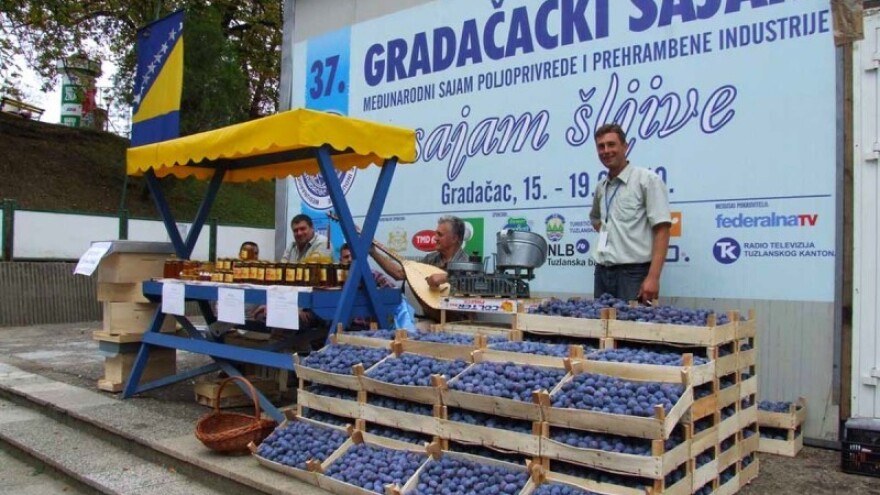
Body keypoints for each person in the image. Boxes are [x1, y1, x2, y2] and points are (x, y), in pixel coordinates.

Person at [589, 123, 671, 303]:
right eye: (601, 146)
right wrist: (612, 235)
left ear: (625, 147)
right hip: (603, 272)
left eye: (611, 144)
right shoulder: (601, 187)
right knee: (601, 328)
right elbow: (595, 218)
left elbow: (662, 230)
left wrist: (653, 278)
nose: (606, 150)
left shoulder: (647, 181)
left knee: (633, 329)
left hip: (634, 274)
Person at [370, 215, 468, 288]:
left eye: (440, 235)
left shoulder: (467, 263)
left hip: (457, 315)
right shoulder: (430, 259)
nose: (435, 238)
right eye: (435, 234)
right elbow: (400, 274)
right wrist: (373, 252)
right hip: (430, 315)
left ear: (454, 238)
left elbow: (473, 284)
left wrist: (446, 278)